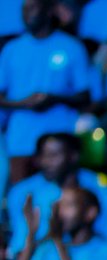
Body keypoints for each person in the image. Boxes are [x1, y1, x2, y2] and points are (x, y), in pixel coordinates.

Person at [0, 0, 92, 182]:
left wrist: (54, 99)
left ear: (49, 10)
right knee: (20, 197)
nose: (27, 14)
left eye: (33, 8)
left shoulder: (72, 47)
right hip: (21, 140)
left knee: (61, 199)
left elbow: (85, 97)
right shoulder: (11, 49)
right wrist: (23, 103)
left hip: (60, 140)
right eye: (24, 9)